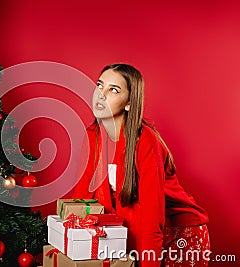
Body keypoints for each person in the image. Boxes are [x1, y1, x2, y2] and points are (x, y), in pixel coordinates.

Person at [72, 63, 210, 267]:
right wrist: (69, 238)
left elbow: (151, 217)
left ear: (129, 103)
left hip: (178, 235)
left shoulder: (145, 141)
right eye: (99, 85)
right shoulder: (93, 136)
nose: (101, 94)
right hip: (135, 232)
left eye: (113, 90)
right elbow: (82, 197)